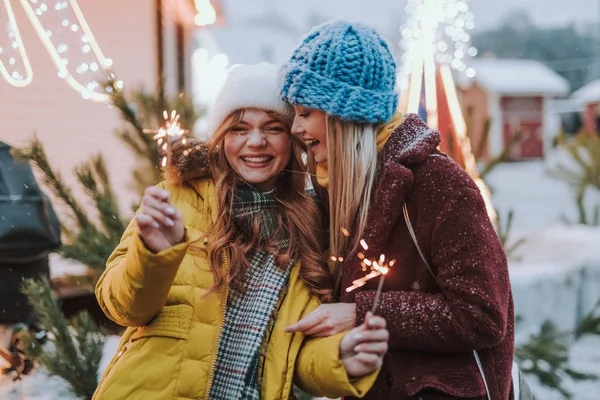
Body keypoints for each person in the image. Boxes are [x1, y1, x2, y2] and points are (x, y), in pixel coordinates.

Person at [92, 63, 388, 400]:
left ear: (293, 138)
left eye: (273, 128)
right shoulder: (178, 197)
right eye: (239, 129)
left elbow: (291, 356)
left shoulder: (312, 225)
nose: (256, 142)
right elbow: (122, 308)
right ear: (221, 138)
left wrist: (339, 359)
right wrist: (153, 254)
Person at [281, 21, 515, 400]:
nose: (295, 127)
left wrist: (360, 311)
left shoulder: (438, 182)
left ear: (345, 114)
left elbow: (482, 315)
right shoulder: (331, 188)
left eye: (306, 112)